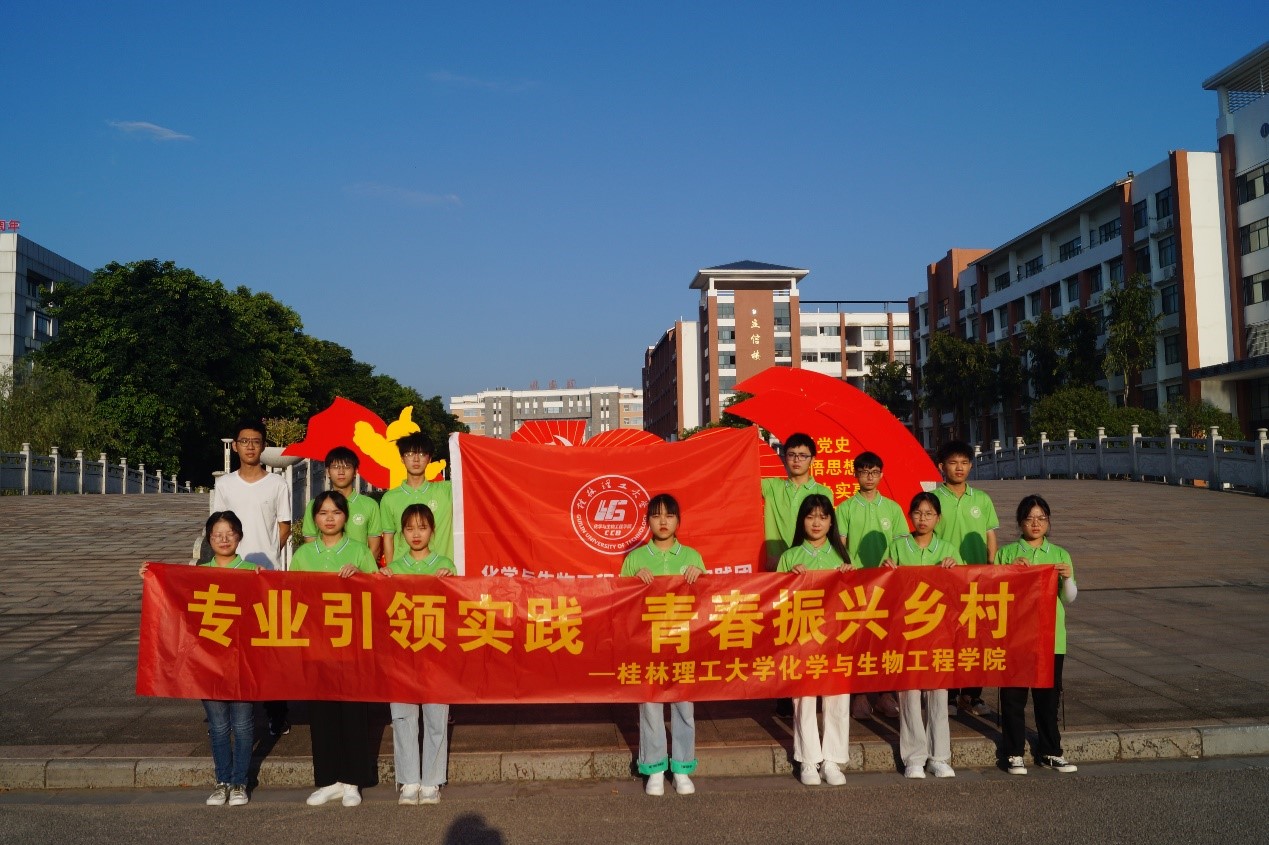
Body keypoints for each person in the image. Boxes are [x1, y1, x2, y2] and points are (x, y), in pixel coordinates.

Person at [139, 511, 259, 806]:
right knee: (218, 726)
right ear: (209, 539)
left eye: (229, 533)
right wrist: (152, 577)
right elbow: (175, 599)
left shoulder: (253, 571)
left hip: (243, 661)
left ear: (239, 537)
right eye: (217, 534)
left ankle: (240, 782)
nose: (224, 539)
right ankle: (222, 781)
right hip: (208, 662)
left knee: (243, 725)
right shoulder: (198, 573)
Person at [291, 491, 379, 807]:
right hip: (317, 643)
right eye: (323, 512)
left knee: (353, 712)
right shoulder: (303, 555)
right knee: (322, 713)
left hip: (352, 643)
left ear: (345, 517)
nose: (329, 518)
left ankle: (352, 780)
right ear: (314, 518)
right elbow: (289, 594)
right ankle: (328, 780)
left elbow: (378, 591)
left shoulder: (358, 551)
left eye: (336, 512)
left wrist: (361, 577)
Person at [212, 417, 293, 737]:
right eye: (244, 441)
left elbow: (284, 525)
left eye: (256, 442)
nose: (250, 447)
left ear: (263, 446)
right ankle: (226, 714)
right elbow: (218, 525)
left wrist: (269, 553)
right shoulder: (225, 485)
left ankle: (277, 712)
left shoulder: (277, 484)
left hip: (265, 575)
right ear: (235, 446)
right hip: (232, 574)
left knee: (268, 647)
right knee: (231, 645)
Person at [621, 493, 704, 797]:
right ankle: (654, 768)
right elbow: (619, 603)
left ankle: (682, 768)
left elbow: (708, 600)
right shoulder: (635, 559)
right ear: (648, 522)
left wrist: (701, 576)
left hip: (683, 643)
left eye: (669, 515)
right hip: (648, 644)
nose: (663, 521)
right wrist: (632, 580)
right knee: (650, 705)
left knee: (684, 706)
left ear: (678, 521)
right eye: (656, 516)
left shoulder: (692, 556)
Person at [995, 494, 1078, 775]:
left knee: (1048, 698)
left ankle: (1050, 751)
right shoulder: (1006, 553)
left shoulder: (1059, 554)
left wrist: (1067, 577)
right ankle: (1013, 752)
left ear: (1048, 522)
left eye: (1041, 518)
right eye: (1029, 518)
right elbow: (993, 592)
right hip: (1015, 636)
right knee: (1013, 697)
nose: (1035, 523)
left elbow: (1069, 598)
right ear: (1020, 522)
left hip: (1050, 637)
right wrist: (1010, 571)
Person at [882, 492, 963, 779]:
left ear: (938, 518)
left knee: (938, 694)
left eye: (929, 514)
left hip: (938, 632)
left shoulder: (948, 549)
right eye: (917, 513)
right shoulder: (897, 546)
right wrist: (886, 569)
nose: (923, 519)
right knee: (909, 694)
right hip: (907, 633)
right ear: (910, 516)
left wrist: (955, 569)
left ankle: (939, 756)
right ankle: (914, 757)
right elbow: (881, 587)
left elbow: (963, 589)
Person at [777, 494, 855, 786]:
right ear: (802, 521)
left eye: (822, 517)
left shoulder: (843, 557)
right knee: (804, 700)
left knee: (837, 700)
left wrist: (850, 574)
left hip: (836, 639)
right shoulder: (790, 556)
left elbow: (859, 597)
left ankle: (833, 760)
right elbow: (776, 600)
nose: (816, 523)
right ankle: (808, 760)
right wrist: (789, 578)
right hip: (802, 639)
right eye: (810, 517)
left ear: (832, 522)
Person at [380, 504, 454, 805]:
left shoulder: (444, 564)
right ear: (402, 533)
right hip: (401, 655)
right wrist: (381, 580)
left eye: (422, 528)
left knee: (436, 717)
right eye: (409, 528)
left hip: (436, 654)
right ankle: (409, 780)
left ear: (432, 531)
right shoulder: (395, 568)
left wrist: (450, 579)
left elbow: (456, 607)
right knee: (403, 717)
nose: (416, 534)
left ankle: (432, 781)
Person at [761, 433, 832, 719]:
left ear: (812, 459)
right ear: (784, 457)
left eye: (803, 455)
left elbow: (829, 532)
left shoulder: (823, 492)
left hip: (814, 573)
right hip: (780, 570)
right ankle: (785, 693)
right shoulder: (772, 486)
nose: (797, 460)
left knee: (815, 633)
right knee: (784, 634)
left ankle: (814, 687)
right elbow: (733, 480)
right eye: (791, 455)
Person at [834, 450, 908, 719]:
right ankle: (860, 695)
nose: (869, 477)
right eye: (864, 472)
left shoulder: (892, 508)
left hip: (887, 585)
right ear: (855, 474)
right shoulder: (845, 508)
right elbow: (840, 546)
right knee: (858, 641)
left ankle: (885, 695)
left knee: (887, 640)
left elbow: (901, 545)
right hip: (856, 586)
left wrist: (894, 565)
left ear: (881, 475)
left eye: (874, 472)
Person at [932, 440, 998, 717]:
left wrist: (992, 568)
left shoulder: (981, 499)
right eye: (953, 462)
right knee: (947, 637)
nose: (959, 468)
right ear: (942, 466)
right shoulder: (933, 499)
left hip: (976, 579)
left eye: (964, 462)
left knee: (975, 638)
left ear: (970, 466)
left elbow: (990, 536)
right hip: (945, 578)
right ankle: (948, 695)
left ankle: (972, 695)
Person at [380, 433, 454, 564]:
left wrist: (460, 442)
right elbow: (388, 538)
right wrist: (392, 570)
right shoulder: (389, 498)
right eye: (409, 454)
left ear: (429, 458)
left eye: (421, 454)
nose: (416, 459)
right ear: (402, 458)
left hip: (440, 570)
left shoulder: (447, 490)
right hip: (404, 571)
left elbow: (474, 476)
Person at [301, 446, 383, 561]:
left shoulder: (370, 505)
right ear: (328, 472)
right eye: (335, 467)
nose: (341, 472)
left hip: (358, 569)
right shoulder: (315, 505)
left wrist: (360, 569)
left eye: (347, 467)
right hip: (326, 568)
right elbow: (310, 545)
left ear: (355, 471)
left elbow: (374, 548)